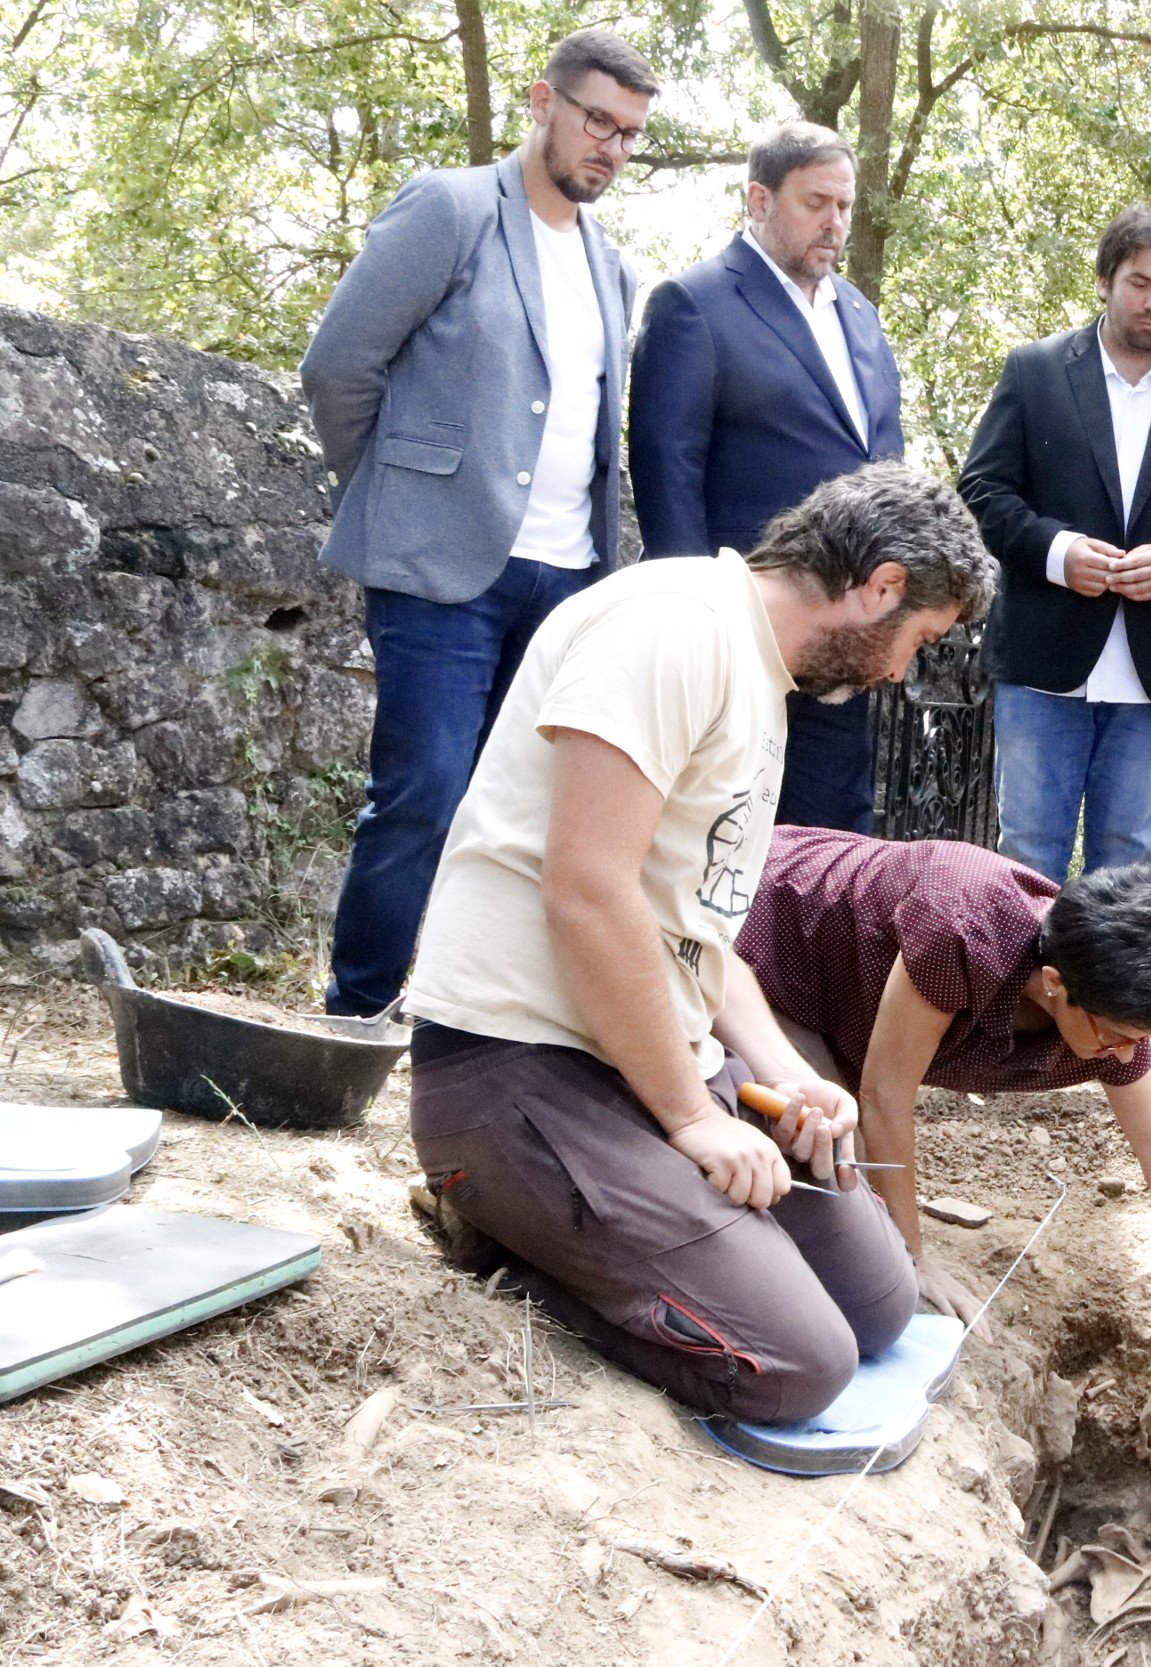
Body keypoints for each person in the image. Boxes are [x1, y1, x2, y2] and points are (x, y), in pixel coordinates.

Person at [401, 466, 992, 1425]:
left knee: (879, 1306)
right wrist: (690, 1116)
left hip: (640, 1057)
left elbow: (702, 937)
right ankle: (498, 1233)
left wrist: (779, 1074)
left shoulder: (758, 679)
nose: (897, 672)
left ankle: (615, 1215)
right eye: (918, 641)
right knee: (799, 1364)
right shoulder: (673, 624)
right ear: (881, 586)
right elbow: (587, 891)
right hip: (519, 1069)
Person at [301, 29, 655, 1020]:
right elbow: (339, 366)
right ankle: (355, 1011)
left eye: (629, 134)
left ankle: (467, 1020)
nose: (611, 148)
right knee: (422, 797)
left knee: (518, 822)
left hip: (566, 582)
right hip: (441, 572)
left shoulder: (613, 267)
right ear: (543, 102)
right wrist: (396, 491)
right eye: (596, 121)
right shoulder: (449, 209)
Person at [737, 829, 1151, 1416]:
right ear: (1055, 987)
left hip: (851, 1014)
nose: (1130, 1058)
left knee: (851, 1219)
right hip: (770, 949)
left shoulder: (1105, 1000)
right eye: (1121, 1038)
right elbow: (884, 1097)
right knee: (830, 1167)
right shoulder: (962, 929)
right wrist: (914, 1258)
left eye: (1146, 1041)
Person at [956, 203, 1151, 881]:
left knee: (1128, 867)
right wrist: (1056, 552)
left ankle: (1101, 996)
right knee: (1025, 859)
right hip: (1041, 663)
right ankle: (1018, 993)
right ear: (1104, 280)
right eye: (1139, 282)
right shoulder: (1034, 370)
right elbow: (981, 493)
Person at [630, 121, 908, 835]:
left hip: (846, 633)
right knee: (719, 833)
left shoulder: (861, 316)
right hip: (740, 631)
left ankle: (817, 956)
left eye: (844, 207)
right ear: (759, 198)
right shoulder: (693, 304)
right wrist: (701, 626)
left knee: (831, 838)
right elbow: (668, 472)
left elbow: (884, 464)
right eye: (817, 202)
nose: (835, 222)